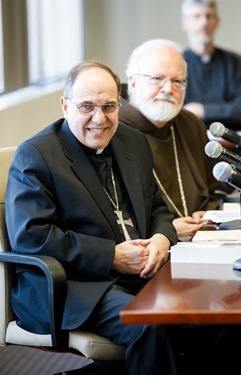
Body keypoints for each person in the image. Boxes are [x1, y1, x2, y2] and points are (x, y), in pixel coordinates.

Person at [5, 61, 181, 375]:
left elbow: (158, 209)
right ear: (65, 105)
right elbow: (32, 236)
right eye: (87, 106)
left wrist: (162, 238)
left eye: (109, 106)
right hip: (74, 287)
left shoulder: (133, 143)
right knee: (148, 324)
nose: (99, 119)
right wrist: (111, 257)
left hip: (140, 274)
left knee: (212, 316)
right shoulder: (36, 155)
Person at [120, 38, 224, 238]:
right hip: (147, 250)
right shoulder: (113, 131)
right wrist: (166, 229)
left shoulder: (189, 123)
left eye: (177, 81)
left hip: (204, 237)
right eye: (157, 79)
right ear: (133, 81)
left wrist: (208, 212)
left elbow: (215, 189)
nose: (168, 89)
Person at [181, 0, 241, 130]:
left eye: (209, 16)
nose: (204, 23)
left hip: (232, 141)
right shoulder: (176, 64)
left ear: (217, 21)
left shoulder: (237, 63)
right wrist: (227, 109)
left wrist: (202, 110)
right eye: (197, 16)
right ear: (184, 23)